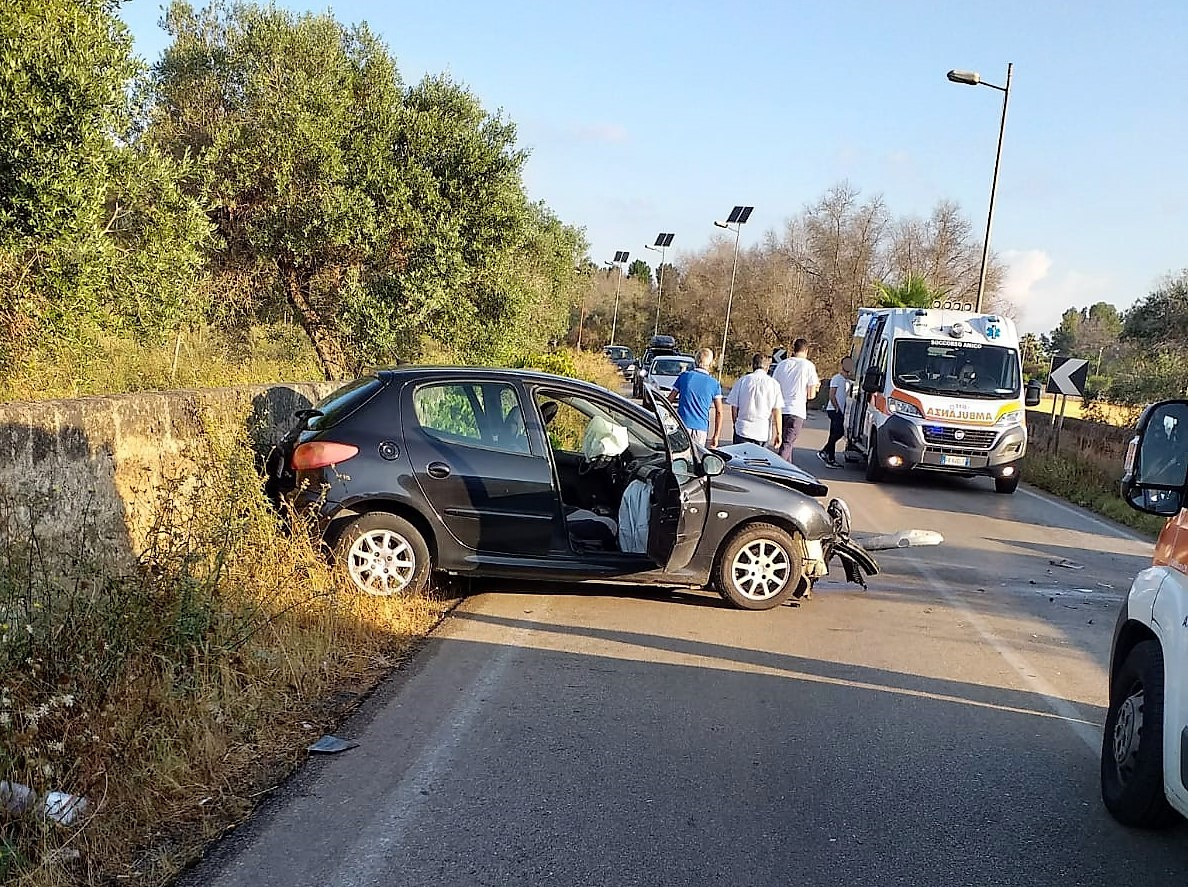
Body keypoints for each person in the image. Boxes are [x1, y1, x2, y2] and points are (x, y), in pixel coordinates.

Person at [771, 337, 819, 463]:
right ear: (806, 351)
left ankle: (789, 471)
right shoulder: (808, 366)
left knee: (787, 444)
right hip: (796, 410)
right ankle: (778, 470)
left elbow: (774, 386)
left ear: (794, 349)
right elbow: (811, 394)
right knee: (787, 444)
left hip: (780, 409)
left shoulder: (782, 365)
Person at [669, 347, 724, 448]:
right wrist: (716, 436)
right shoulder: (714, 383)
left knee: (680, 457)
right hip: (700, 428)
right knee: (697, 458)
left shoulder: (685, 376)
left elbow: (669, 401)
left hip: (682, 425)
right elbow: (719, 412)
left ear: (696, 360)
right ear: (710, 363)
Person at [726, 354, 784, 447]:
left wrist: (736, 423)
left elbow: (734, 407)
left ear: (753, 365)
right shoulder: (774, 384)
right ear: (767, 367)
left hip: (742, 429)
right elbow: (777, 411)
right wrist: (779, 433)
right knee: (759, 461)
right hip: (762, 432)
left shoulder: (743, 381)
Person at [817, 356, 854, 469]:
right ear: (842, 365)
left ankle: (830, 457)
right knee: (838, 433)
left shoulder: (847, 380)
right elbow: (832, 394)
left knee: (835, 433)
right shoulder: (837, 378)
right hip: (834, 409)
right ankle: (825, 452)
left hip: (841, 410)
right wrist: (836, 407)